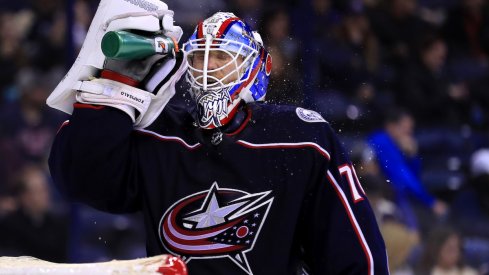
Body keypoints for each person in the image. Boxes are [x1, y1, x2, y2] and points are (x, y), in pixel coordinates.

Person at [48, 11, 389, 274]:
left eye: (222, 58)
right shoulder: (160, 132)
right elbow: (79, 178)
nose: (208, 69)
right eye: (199, 58)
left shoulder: (301, 138)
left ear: (255, 68)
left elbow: (353, 253)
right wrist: (115, 90)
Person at [366, 108, 448, 233]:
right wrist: (430, 202)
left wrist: (412, 156)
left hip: (394, 195)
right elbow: (402, 178)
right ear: (391, 126)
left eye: (411, 129)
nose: (409, 133)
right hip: (376, 196)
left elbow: (413, 177)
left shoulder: (396, 145)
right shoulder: (381, 141)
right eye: (405, 128)